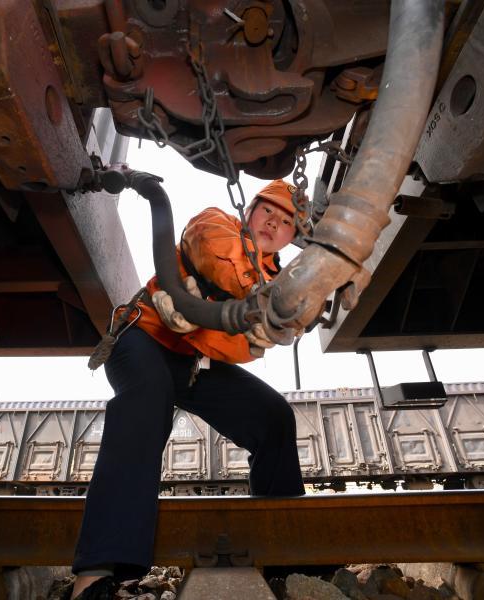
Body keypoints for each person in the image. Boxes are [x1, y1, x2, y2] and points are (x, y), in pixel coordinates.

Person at [67, 179, 307, 600]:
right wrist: (269, 303)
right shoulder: (217, 223)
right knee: (147, 400)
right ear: (249, 211)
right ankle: (96, 575)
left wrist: (283, 303)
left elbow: (248, 346)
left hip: (194, 364)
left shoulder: (280, 282)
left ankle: (287, 557)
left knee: (273, 417)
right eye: (268, 210)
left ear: (293, 236)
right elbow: (216, 256)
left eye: (287, 221)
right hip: (143, 338)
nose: (274, 222)